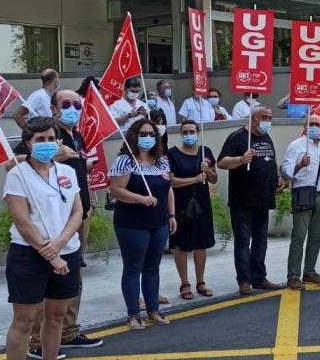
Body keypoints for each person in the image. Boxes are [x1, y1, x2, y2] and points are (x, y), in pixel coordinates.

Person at [2, 117, 84, 360]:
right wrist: (50, 254)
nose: (48, 144)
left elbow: (77, 211)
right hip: (29, 254)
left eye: (52, 138)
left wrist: (61, 244)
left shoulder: (66, 171)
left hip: (67, 251)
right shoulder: (17, 175)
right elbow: (22, 221)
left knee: (57, 315)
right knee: (24, 321)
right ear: (28, 144)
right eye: (40, 140)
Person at [18, 91, 102, 359]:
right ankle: (36, 340)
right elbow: (14, 163)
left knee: (73, 276)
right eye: (66, 105)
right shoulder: (46, 134)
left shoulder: (77, 135)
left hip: (78, 214)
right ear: (54, 108)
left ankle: (67, 331)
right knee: (47, 277)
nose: (72, 109)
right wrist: (54, 154)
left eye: (77, 105)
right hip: (50, 218)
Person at [108, 119, 177, 329]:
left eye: (151, 134)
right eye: (143, 134)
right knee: (133, 268)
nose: (147, 138)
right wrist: (139, 198)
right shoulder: (125, 161)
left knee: (152, 267)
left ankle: (153, 310)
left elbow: (168, 189)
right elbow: (116, 190)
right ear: (134, 136)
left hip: (159, 222)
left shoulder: (162, 161)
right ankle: (133, 314)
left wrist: (172, 214)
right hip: (132, 224)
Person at [217, 106, 282, 295]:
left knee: (261, 241)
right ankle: (244, 280)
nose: (267, 121)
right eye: (264, 117)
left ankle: (259, 277)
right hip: (242, 200)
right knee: (243, 241)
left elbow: (270, 160)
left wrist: (276, 176)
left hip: (264, 198)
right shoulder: (237, 137)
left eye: (270, 117)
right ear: (252, 119)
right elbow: (221, 162)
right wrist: (241, 159)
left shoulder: (266, 136)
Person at [281, 115, 320, 289]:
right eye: (311, 124)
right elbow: (285, 170)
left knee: (316, 236)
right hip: (303, 192)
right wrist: (299, 165)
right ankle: (293, 275)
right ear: (305, 126)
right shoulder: (295, 145)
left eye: (318, 125)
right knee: (299, 235)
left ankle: (309, 271)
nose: (315, 127)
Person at [168, 119, 217, 300]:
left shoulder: (206, 152)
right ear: (181, 134)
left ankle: (201, 282)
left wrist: (208, 171)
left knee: (200, 244)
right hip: (180, 204)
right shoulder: (172, 154)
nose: (189, 135)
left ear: (198, 133)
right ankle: (185, 283)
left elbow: (213, 179)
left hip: (201, 204)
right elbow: (171, 181)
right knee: (181, 245)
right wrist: (194, 179)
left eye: (192, 132)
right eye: (185, 132)